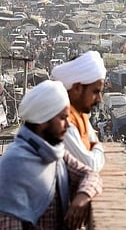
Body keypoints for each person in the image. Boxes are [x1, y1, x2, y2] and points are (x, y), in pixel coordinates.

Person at [0, 80, 102, 229]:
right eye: (62, 118)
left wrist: (83, 196)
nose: (68, 125)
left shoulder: (54, 154)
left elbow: (90, 174)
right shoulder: (13, 168)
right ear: (43, 121)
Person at [51, 50, 107, 172]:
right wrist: (98, 148)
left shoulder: (80, 114)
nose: (99, 99)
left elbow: (92, 143)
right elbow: (90, 165)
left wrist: (94, 148)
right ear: (77, 88)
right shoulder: (63, 122)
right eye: (95, 92)